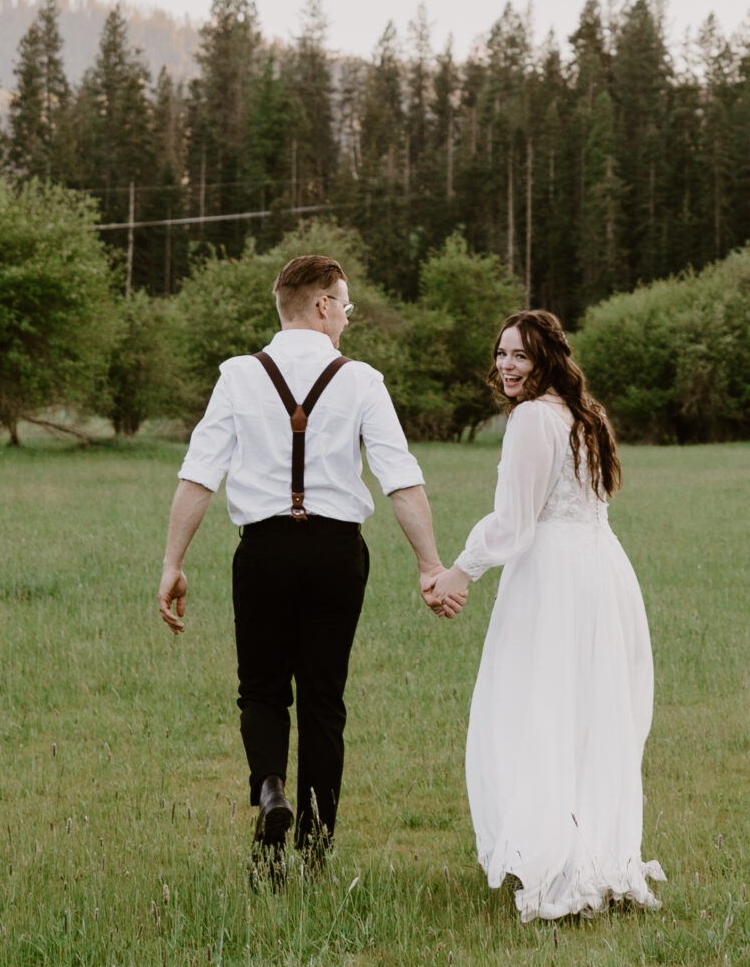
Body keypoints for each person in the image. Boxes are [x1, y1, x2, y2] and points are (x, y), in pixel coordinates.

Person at [157, 253, 453, 873]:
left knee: (261, 690)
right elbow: (401, 479)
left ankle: (269, 791)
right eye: (345, 306)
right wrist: (429, 565)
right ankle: (315, 851)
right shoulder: (361, 379)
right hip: (336, 553)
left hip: (262, 550)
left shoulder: (239, 375)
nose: (347, 318)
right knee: (324, 699)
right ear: (321, 305)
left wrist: (172, 563)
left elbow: (199, 474)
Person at [424, 310, 664, 922]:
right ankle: (587, 855)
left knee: (537, 710)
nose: (506, 366)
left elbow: (514, 522)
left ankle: (558, 864)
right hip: (599, 572)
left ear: (546, 361)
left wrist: (459, 572)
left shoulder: (534, 418)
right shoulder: (584, 414)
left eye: (520, 357)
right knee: (585, 714)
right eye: (501, 354)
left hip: (553, 578)